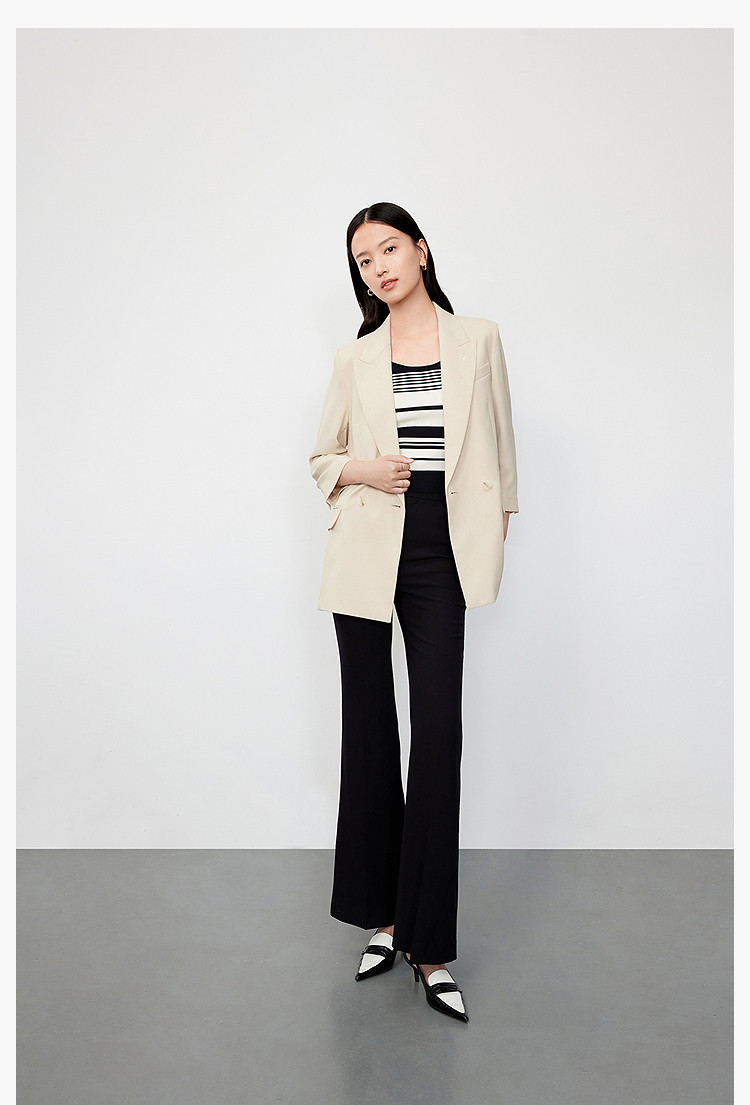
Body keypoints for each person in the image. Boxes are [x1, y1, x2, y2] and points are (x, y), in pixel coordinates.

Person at [308, 202, 519, 1023]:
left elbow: (501, 452)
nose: (379, 267)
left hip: (441, 546)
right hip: (367, 545)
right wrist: (366, 470)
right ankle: (385, 918)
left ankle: (430, 946)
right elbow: (321, 458)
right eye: (364, 260)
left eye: (389, 248)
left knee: (437, 737)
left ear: (422, 250)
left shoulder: (480, 339)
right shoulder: (354, 356)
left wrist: (492, 534)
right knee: (369, 731)